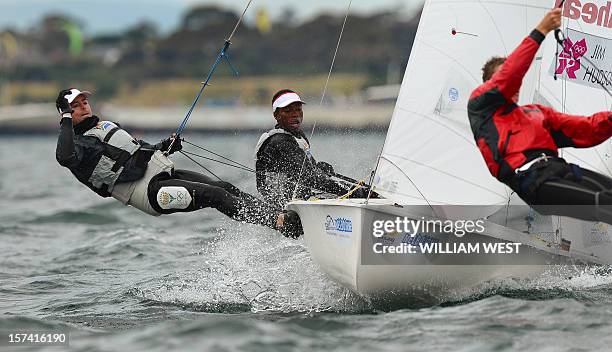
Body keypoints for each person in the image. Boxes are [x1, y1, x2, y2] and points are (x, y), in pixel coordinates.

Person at [55, 88, 303, 237]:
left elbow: (135, 151)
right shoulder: (75, 146)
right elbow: (64, 157)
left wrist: (164, 146)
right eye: (75, 107)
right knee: (215, 196)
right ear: (66, 113)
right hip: (147, 193)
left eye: (84, 102)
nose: (83, 107)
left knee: (225, 187)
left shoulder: (104, 126)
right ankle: (280, 223)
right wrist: (66, 117)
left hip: (159, 172)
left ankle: (277, 215)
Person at [467, 8, 612, 224]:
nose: (514, 84)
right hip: (535, 182)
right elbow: (510, 75)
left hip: (560, 168)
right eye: (504, 78)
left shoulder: (535, 113)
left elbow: (587, 129)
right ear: (489, 85)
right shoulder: (480, 106)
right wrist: (541, 31)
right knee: (601, 204)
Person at [254, 89, 375, 209]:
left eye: (298, 109)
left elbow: (305, 169)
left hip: (299, 194)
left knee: (353, 191)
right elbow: (309, 178)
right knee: (355, 194)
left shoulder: (298, 135)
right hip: (283, 205)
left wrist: (318, 168)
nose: (295, 114)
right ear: (276, 115)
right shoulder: (280, 141)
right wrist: (353, 192)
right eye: (288, 110)